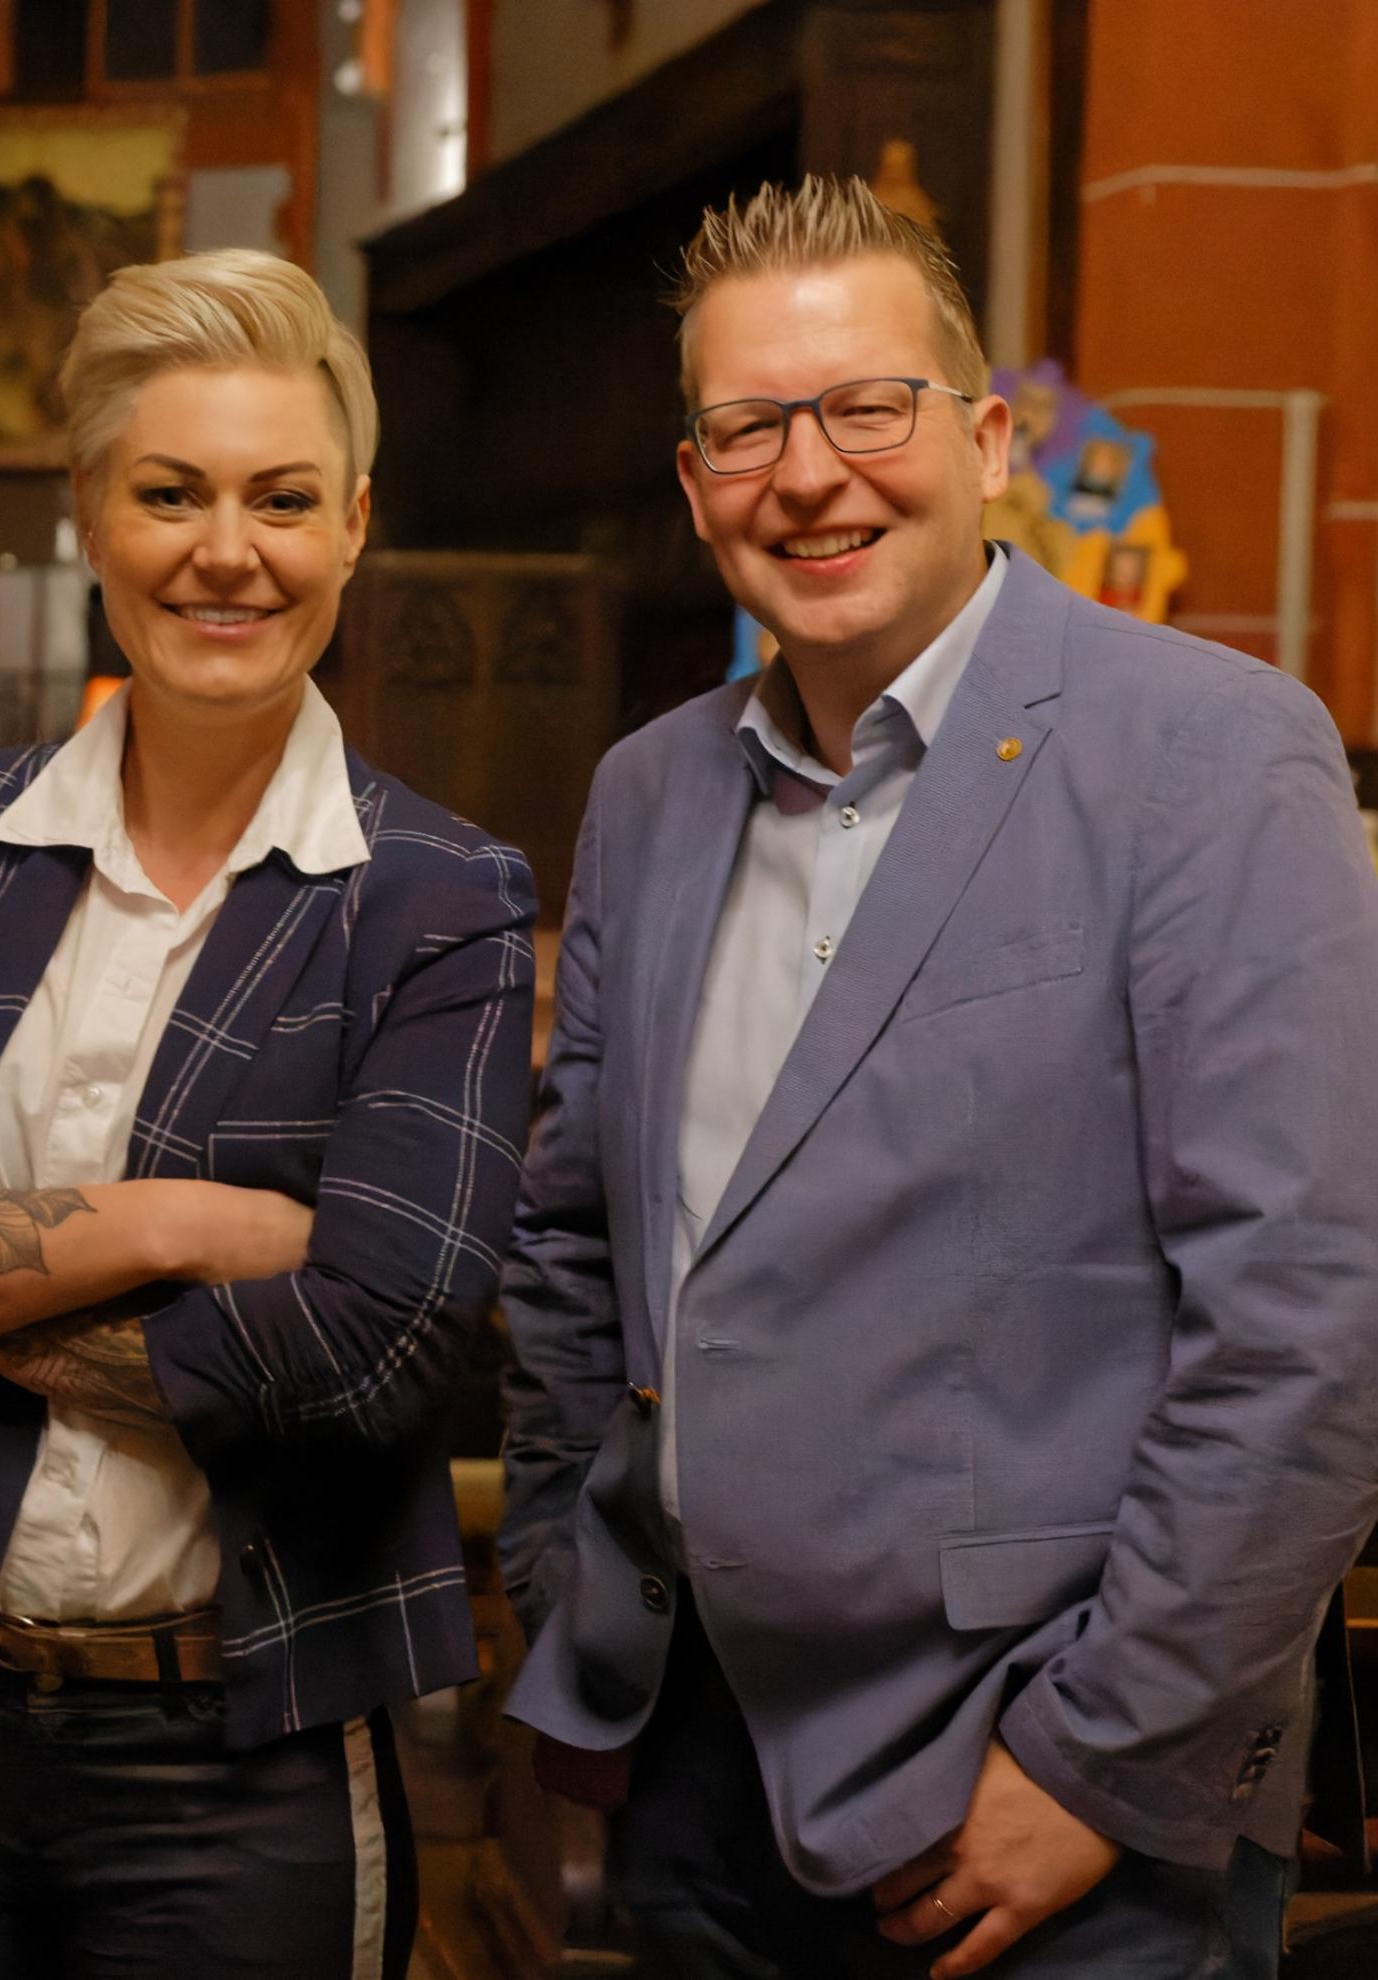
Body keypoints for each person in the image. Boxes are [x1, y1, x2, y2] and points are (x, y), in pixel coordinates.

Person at [497, 174, 1378, 1978]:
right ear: (693, 485)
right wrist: (565, 1603)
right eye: (746, 428)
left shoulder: (1205, 758)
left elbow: (1307, 1320)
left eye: (867, 408)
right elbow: (577, 1241)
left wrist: (1106, 1762)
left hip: (1043, 1814)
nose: (808, 475)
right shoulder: (651, 793)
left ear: (985, 442)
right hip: (696, 1778)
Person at [0, 248, 536, 1977]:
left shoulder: (438, 897)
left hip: (242, 1750)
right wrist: (182, 1231)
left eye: (281, 499)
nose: (225, 550)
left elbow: (388, 1346)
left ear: (354, 526)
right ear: (92, 516)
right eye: (169, 493)